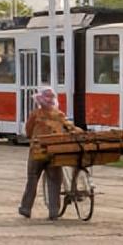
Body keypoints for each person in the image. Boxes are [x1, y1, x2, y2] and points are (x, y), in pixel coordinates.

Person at [19, 87, 76, 220]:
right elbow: (70, 128)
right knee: (55, 181)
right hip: (54, 152)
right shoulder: (60, 115)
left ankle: (26, 208)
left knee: (32, 179)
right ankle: (54, 211)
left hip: (37, 152)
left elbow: (28, 131)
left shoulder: (36, 114)